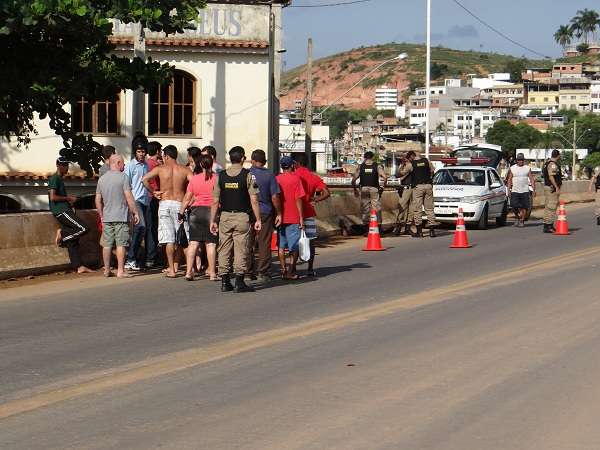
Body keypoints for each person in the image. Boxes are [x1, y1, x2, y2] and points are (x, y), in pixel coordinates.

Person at [210, 146, 262, 293]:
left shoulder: (220, 176)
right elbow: (254, 199)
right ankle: (239, 281)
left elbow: (215, 201)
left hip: (225, 216)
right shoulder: (248, 175)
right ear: (242, 158)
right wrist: (258, 219)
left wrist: (212, 220)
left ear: (230, 159)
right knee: (241, 248)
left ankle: (225, 281)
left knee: (224, 248)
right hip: (242, 217)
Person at [142, 145, 190, 278]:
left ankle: (172, 270)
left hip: (165, 203)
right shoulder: (184, 170)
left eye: (163, 156)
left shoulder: (160, 169)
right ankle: (189, 269)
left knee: (169, 239)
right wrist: (189, 198)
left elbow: (144, 179)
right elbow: (194, 185)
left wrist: (153, 192)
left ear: (167, 156)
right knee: (183, 238)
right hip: (179, 204)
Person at [95, 155, 140, 278]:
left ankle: (106, 270)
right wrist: (135, 212)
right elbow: (129, 196)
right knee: (121, 244)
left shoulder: (102, 179)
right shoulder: (123, 177)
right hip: (121, 216)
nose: (124, 165)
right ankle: (120, 270)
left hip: (107, 217)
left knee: (107, 244)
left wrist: (101, 215)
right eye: (123, 163)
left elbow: (97, 200)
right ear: (118, 163)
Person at [48, 157, 93, 274]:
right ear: (58, 165)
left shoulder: (60, 179)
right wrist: (69, 198)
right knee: (83, 228)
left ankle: (79, 266)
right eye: (64, 165)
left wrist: (70, 201)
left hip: (65, 209)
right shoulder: (55, 179)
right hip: (61, 211)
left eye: (67, 165)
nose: (66, 167)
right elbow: (53, 197)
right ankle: (62, 234)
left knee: (73, 241)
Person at [179, 154, 218, 281]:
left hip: (196, 212)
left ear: (200, 165)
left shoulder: (195, 179)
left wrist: (181, 212)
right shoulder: (217, 178)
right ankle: (212, 273)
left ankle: (188, 272)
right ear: (212, 164)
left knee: (193, 243)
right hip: (211, 212)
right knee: (210, 244)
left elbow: (187, 197)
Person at [246, 149, 282, 283]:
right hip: (265, 211)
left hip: (248, 212)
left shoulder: (246, 173)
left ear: (252, 160)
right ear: (265, 161)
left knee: (247, 242)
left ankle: (247, 271)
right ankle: (263, 272)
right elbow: (274, 196)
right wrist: (279, 212)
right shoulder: (269, 175)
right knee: (264, 242)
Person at [293, 153, 330, 277]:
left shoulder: (293, 176)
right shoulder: (314, 177)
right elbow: (326, 193)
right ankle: (310, 268)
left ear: (296, 163)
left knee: (293, 241)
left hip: (293, 213)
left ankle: (292, 268)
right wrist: (315, 199)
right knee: (310, 241)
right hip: (308, 212)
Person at [276, 156, 305, 281]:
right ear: (292, 165)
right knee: (294, 246)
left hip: (280, 217)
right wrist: (301, 217)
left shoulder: (277, 179)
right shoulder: (296, 179)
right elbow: (298, 199)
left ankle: (283, 270)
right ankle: (291, 271)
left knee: (281, 246)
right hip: (293, 216)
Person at [124, 143, 151, 271]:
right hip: (135, 200)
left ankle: (133, 258)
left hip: (145, 201)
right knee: (140, 227)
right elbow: (126, 184)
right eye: (139, 151)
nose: (141, 154)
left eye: (143, 151)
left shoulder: (146, 165)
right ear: (135, 152)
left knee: (141, 230)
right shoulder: (130, 165)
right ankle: (130, 259)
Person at [352, 151, 387, 229]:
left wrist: (355, 190)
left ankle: (366, 226)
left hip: (364, 189)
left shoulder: (361, 167)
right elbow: (385, 177)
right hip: (374, 188)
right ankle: (378, 226)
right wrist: (382, 187)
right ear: (372, 157)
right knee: (376, 207)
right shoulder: (377, 166)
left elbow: (353, 180)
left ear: (364, 157)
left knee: (365, 208)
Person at [409, 151, 437, 238]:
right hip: (428, 186)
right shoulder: (426, 161)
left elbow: (403, 172)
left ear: (413, 157)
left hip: (418, 187)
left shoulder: (411, 164)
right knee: (429, 209)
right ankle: (432, 231)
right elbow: (432, 171)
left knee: (417, 209)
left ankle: (419, 232)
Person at [145, 141, 162, 267]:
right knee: (153, 227)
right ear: (157, 151)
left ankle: (149, 255)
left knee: (148, 227)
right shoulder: (157, 165)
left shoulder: (145, 163)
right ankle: (152, 257)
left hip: (146, 198)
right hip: (154, 197)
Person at [507, 153, 536, 228]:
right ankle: (517, 217)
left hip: (525, 190)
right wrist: (508, 190)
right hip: (515, 190)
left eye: (522, 160)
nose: (520, 161)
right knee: (514, 206)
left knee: (524, 206)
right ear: (517, 160)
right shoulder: (512, 168)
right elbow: (509, 179)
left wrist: (533, 190)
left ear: (524, 160)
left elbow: (531, 179)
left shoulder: (527, 168)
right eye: (519, 160)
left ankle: (522, 220)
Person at [395, 151, 415, 236]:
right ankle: (399, 226)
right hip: (407, 187)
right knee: (403, 207)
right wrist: (402, 164)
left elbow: (399, 174)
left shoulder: (410, 165)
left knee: (410, 208)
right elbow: (397, 174)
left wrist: (403, 164)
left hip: (411, 187)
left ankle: (407, 227)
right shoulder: (406, 165)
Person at [542, 149, 562, 234]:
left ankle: (547, 224)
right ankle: (549, 225)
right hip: (551, 188)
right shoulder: (553, 164)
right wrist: (556, 187)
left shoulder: (547, 163)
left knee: (548, 206)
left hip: (548, 187)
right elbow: (551, 176)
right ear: (558, 156)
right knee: (552, 206)